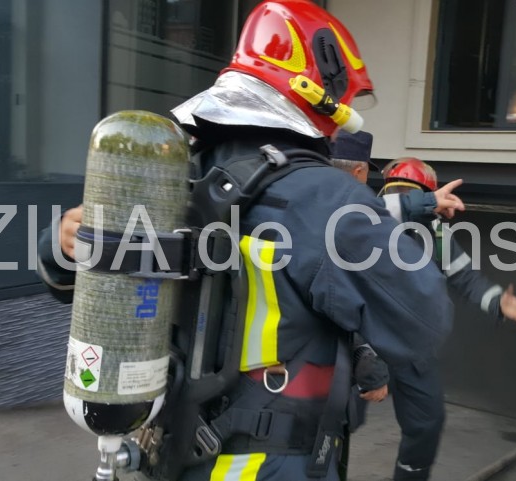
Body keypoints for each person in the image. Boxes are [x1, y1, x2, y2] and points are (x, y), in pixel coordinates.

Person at [38, 2, 459, 480]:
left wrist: (63, 244)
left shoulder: (175, 170)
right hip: (271, 463)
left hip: (165, 447)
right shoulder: (328, 198)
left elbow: (72, 276)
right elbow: (421, 321)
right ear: (321, 89)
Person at [378, 157, 516, 480]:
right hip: (363, 344)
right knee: (335, 423)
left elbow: (465, 277)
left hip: (413, 349)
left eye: (413, 192)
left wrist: (496, 302)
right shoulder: (367, 220)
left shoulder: (435, 234)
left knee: (427, 423)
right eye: (401, 192)